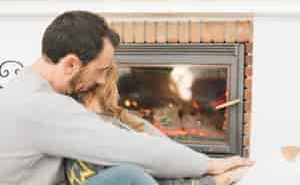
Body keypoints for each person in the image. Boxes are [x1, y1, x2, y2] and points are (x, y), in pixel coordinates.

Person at [0, 10, 254, 185]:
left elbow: (126, 134)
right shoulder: (39, 106)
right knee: (127, 176)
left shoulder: (30, 88)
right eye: (100, 71)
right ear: (70, 65)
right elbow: (128, 148)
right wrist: (208, 165)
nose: (102, 81)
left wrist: (198, 161)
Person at [64, 63, 252, 185]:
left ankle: (212, 180)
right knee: (131, 173)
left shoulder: (122, 120)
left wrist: (207, 170)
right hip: (110, 177)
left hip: (129, 172)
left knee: (145, 168)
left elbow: (162, 154)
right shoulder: (87, 126)